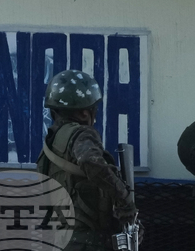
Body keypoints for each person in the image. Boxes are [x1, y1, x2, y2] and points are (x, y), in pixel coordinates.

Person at [36, 70, 137, 251]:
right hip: (85, 242)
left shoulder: (50, 147)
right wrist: (125, 201)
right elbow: (91, 161)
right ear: (84, 113)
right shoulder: (81, 134)